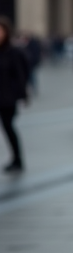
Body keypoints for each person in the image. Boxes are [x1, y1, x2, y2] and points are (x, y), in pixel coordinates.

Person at [0, 18, 30, 173]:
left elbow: (21, 75)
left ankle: (17, 158)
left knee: (8, 127)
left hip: (7, 98)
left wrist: (23, 95)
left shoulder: (14, 52)